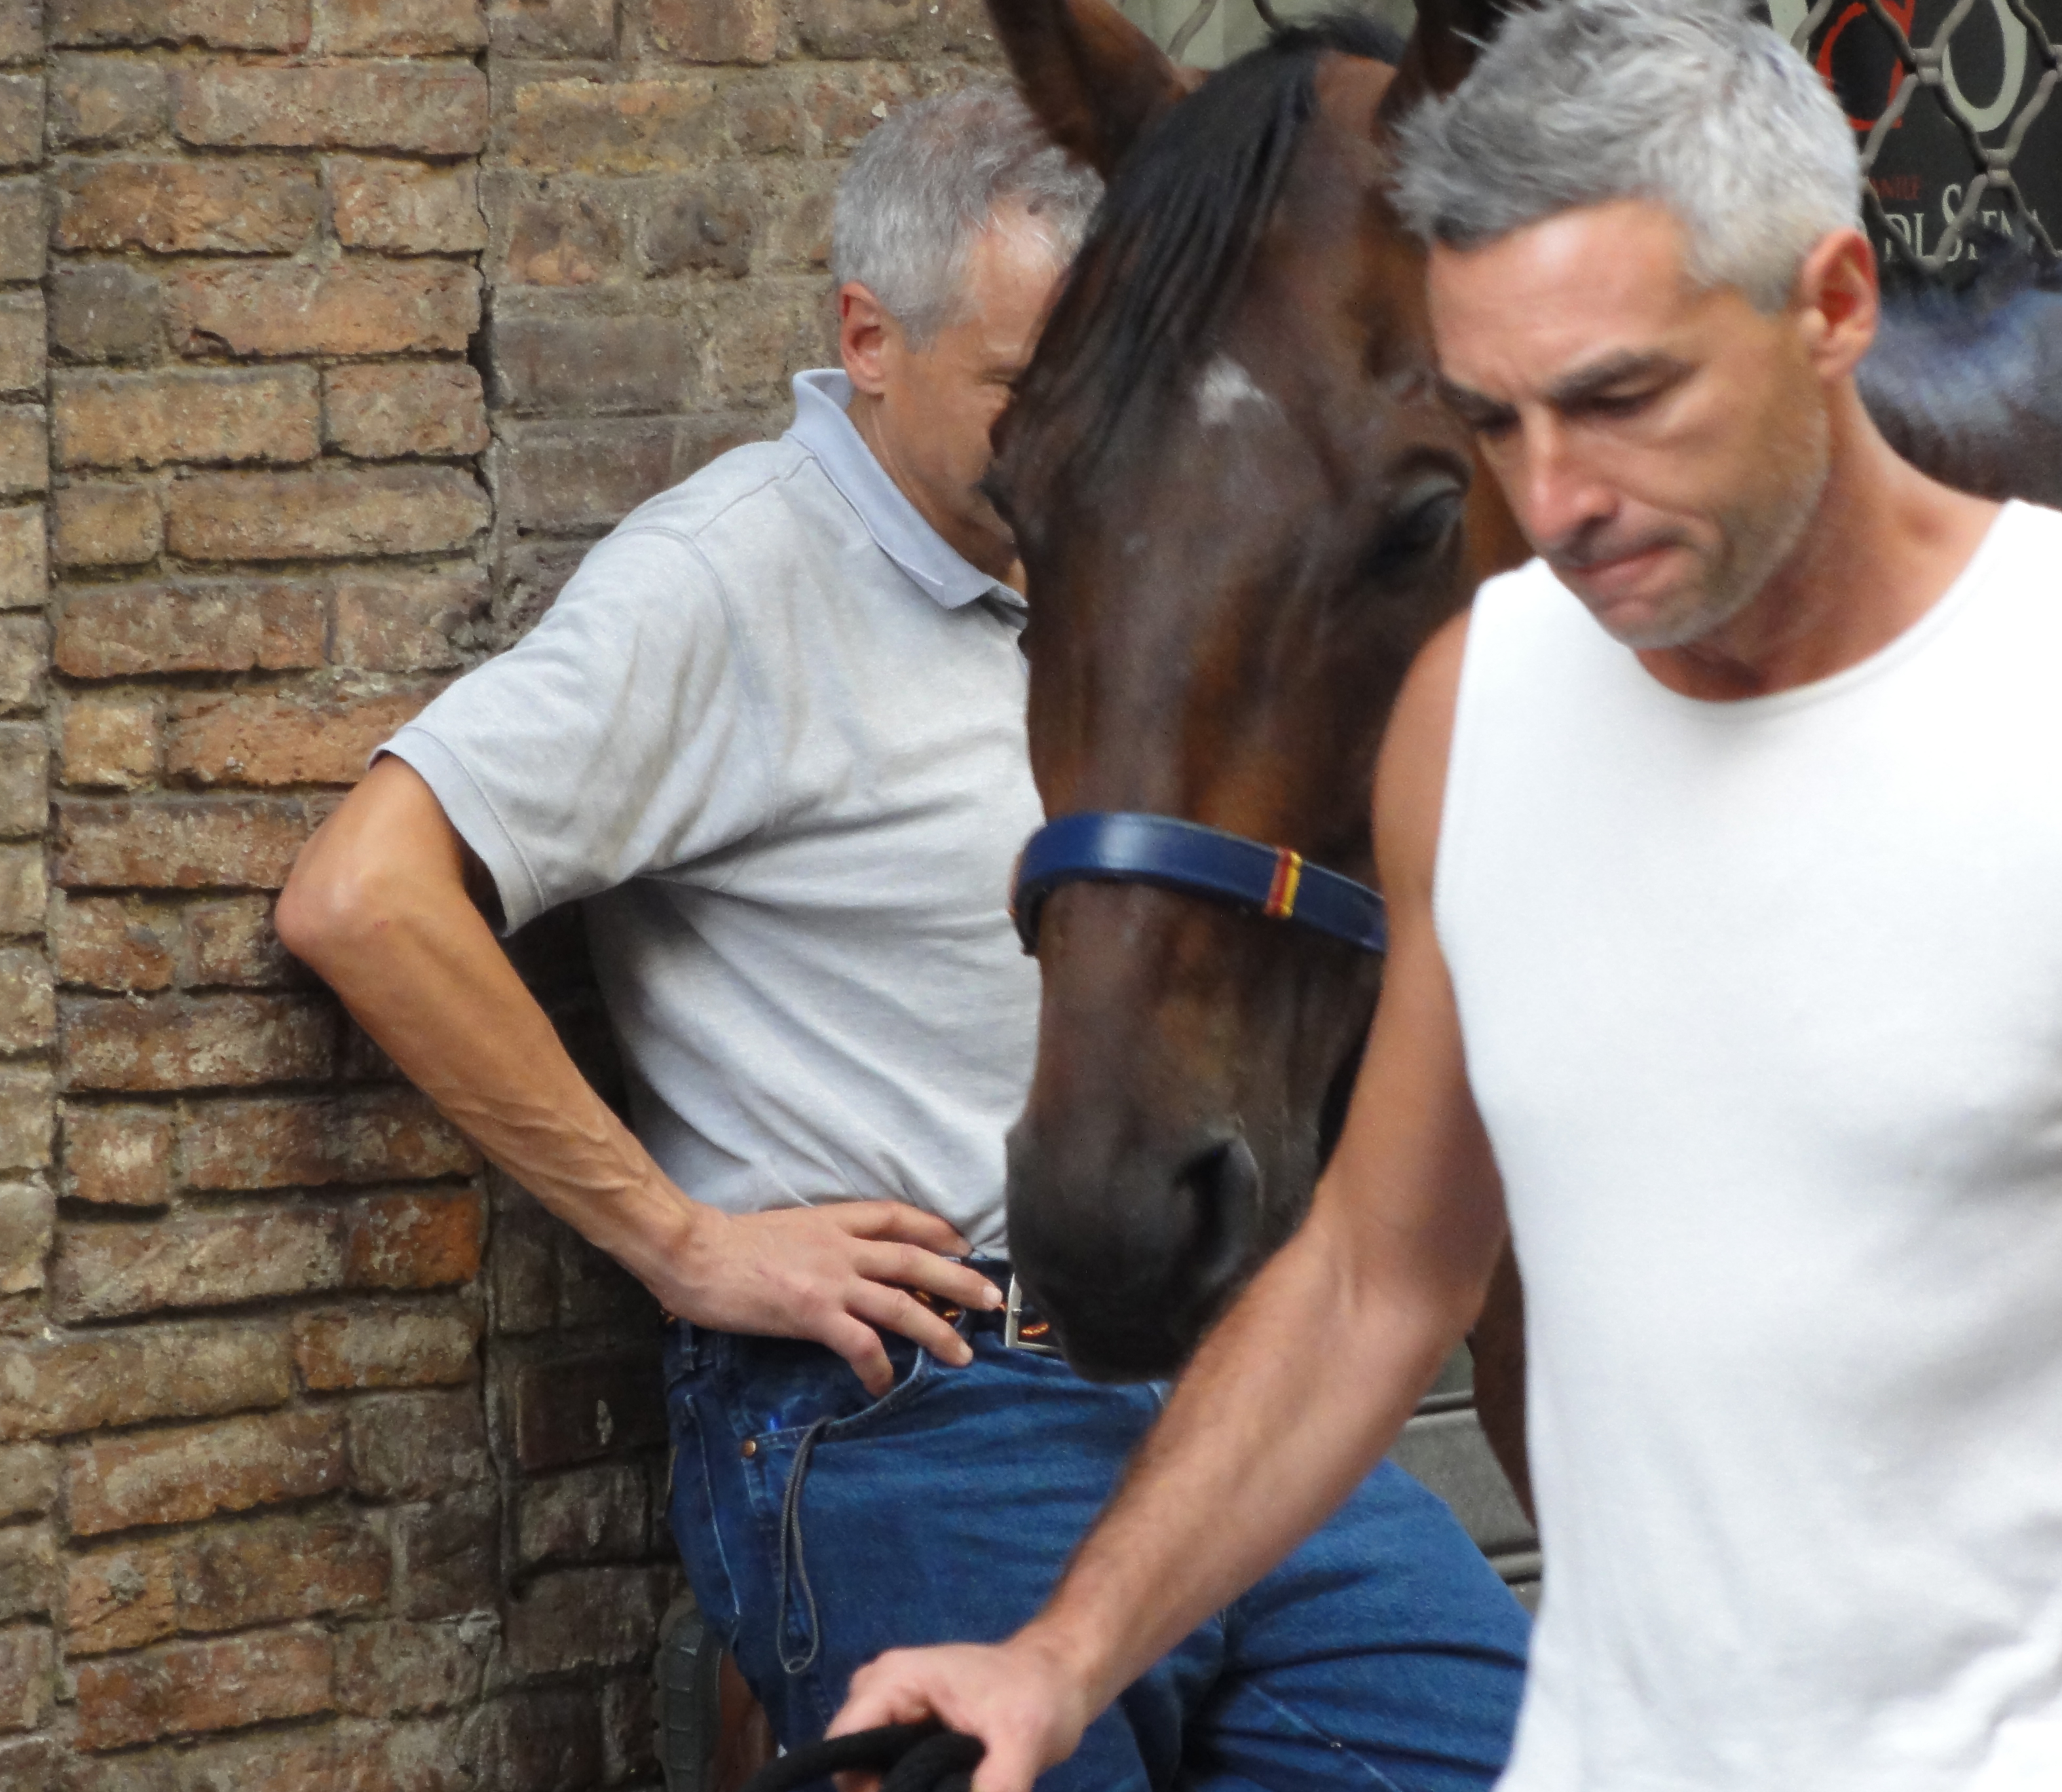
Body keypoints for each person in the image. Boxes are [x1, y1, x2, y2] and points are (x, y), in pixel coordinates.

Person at [829, 6, 2062, 1788]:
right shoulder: (1483, 705)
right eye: (1495, 423)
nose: (1561, 499)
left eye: (1621, 398)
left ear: (1833, 305)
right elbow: (1373, 1278)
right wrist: (1062, 1656)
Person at [276, 84, 1529, 1788]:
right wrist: (679, 1242)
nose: (1081, 432)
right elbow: (362, 893)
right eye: (1027, 386)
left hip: (1228, 1398)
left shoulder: (1143, 563)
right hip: (926, 1411)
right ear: (869, 338)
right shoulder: (729, 578)